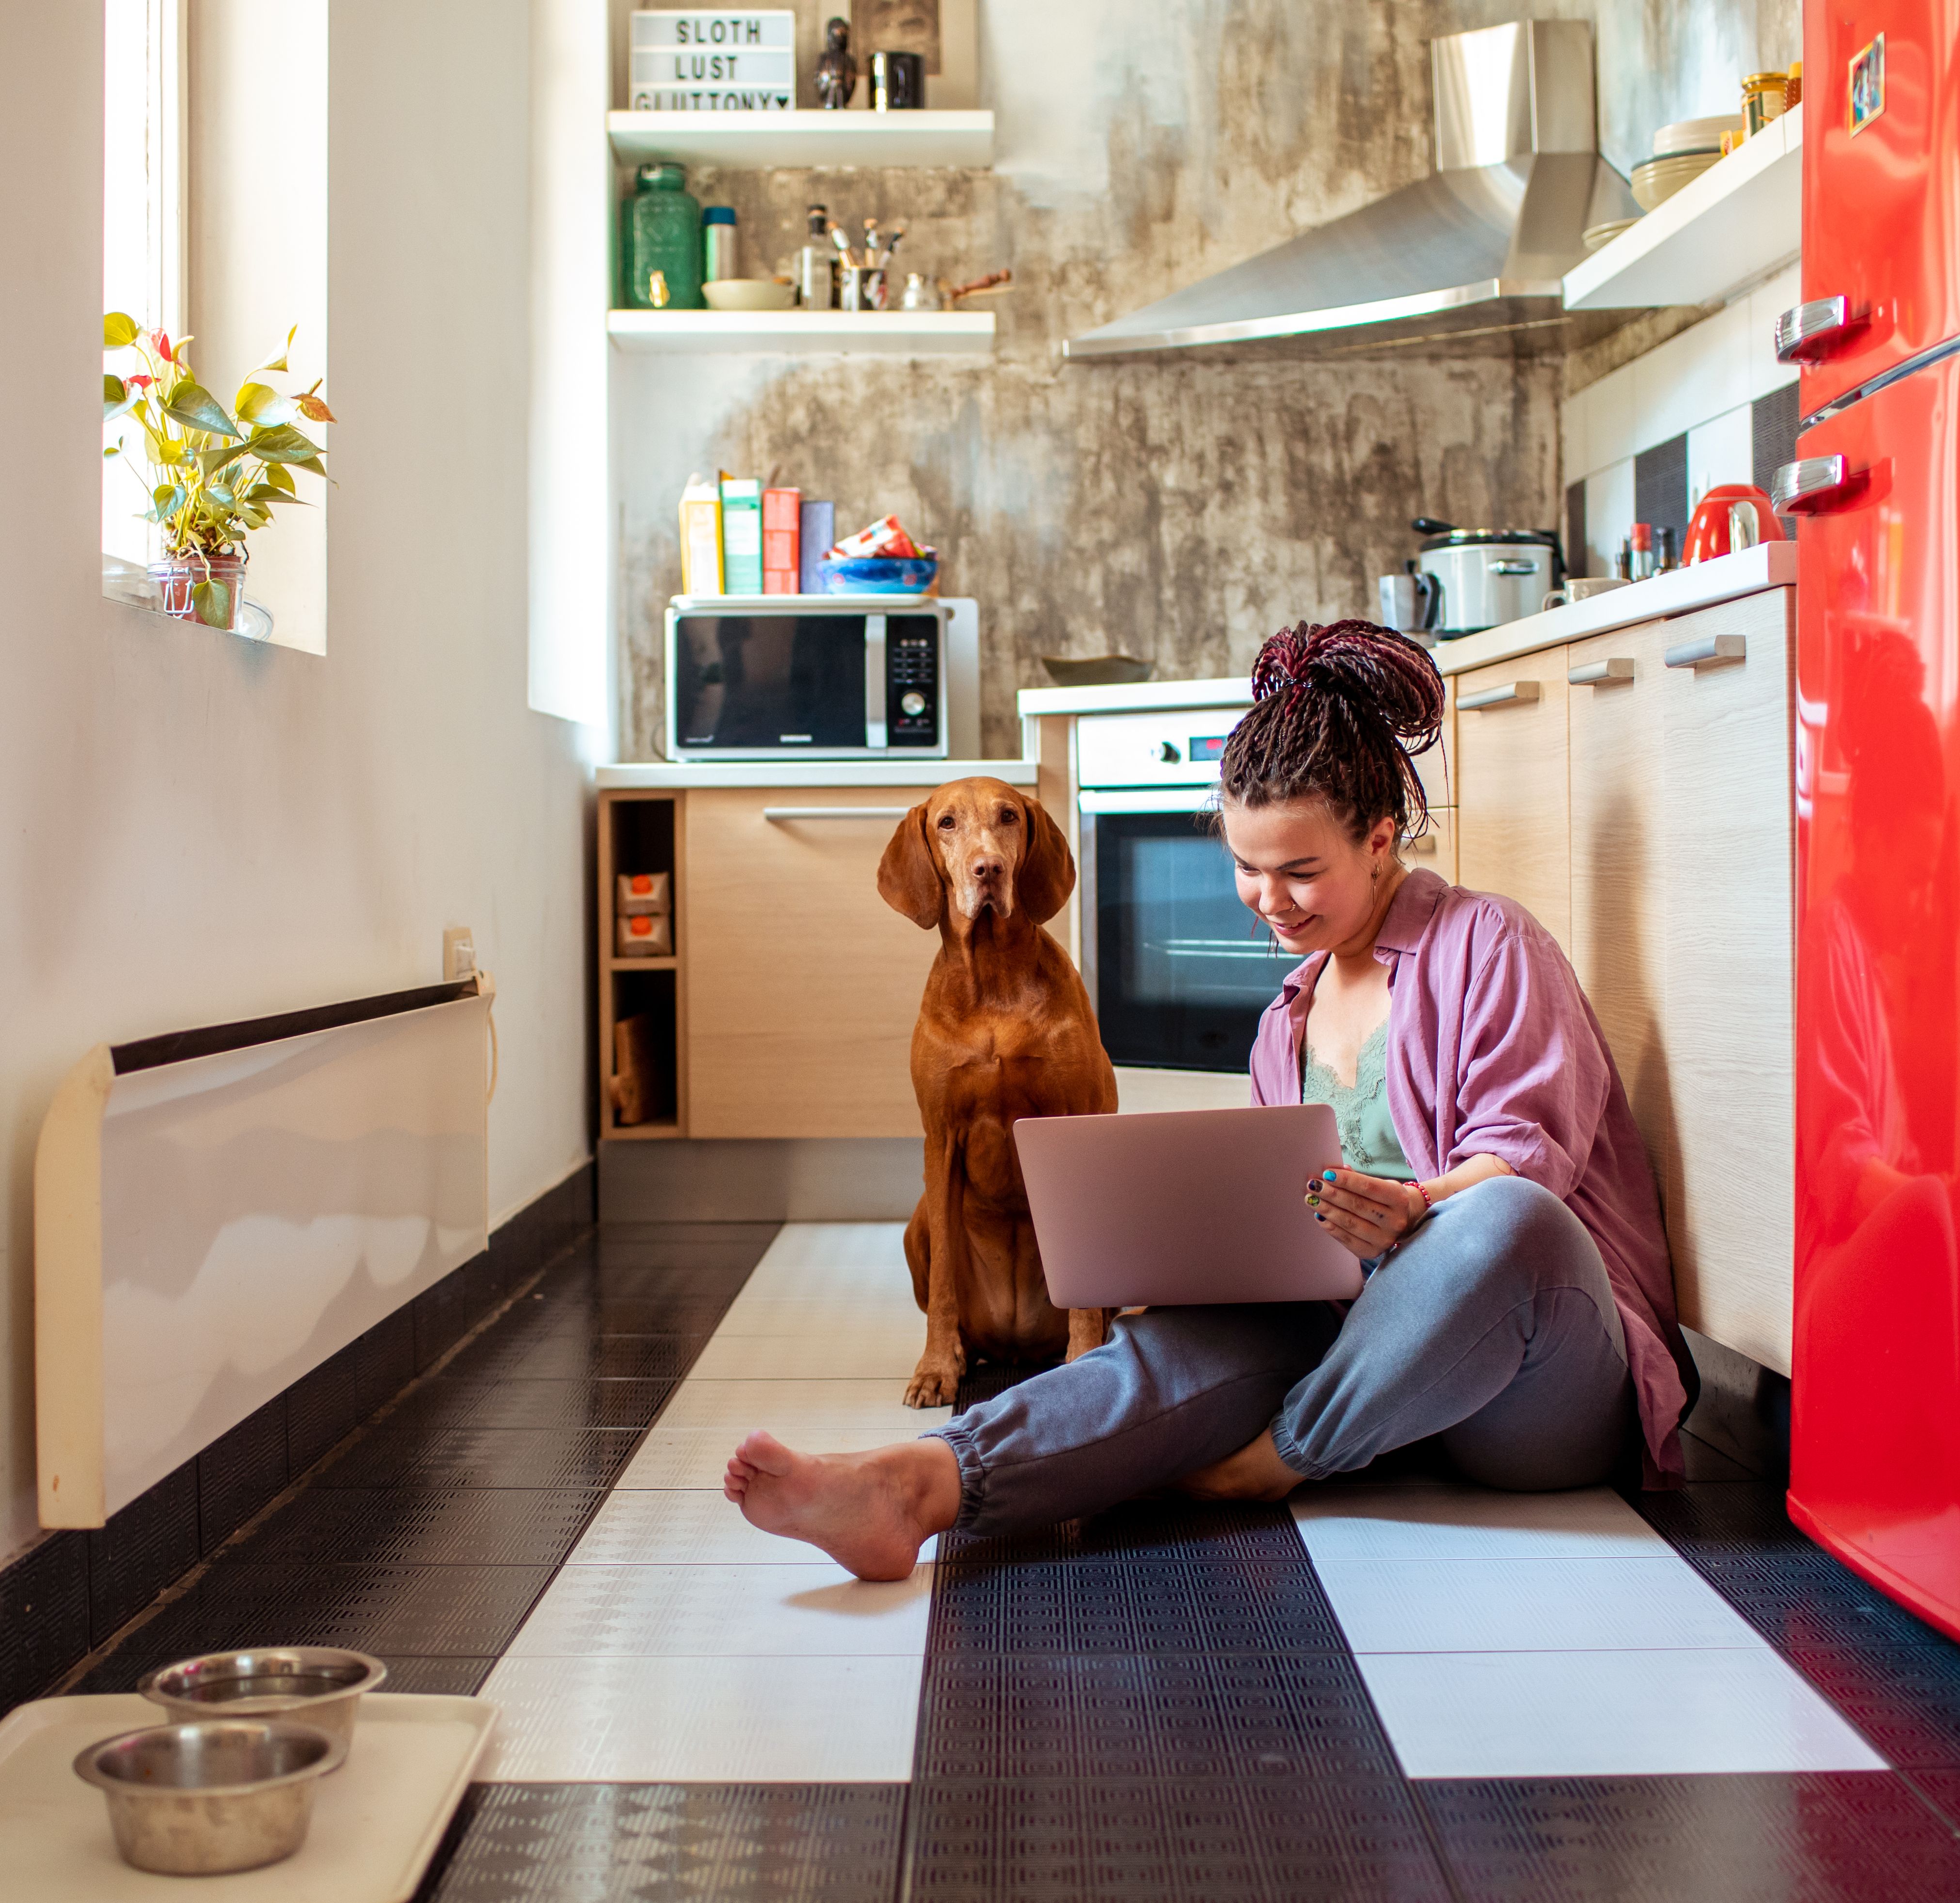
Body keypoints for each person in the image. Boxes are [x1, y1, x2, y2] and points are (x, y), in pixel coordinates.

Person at [723, 618, 1695, 1581]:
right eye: (1245, 867)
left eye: (1302, 871)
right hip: (1371, 1361)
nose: (1270, 900)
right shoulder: (1288, 1019)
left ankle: (1273, 1463)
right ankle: (922, 1486)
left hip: (1530, 1395)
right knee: (1174, 1343)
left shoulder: (1491, 944)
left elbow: (1530, 1164)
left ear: (1381, 839)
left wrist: (1410, 1209)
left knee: (1504, 1222)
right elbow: (1297, 1242)